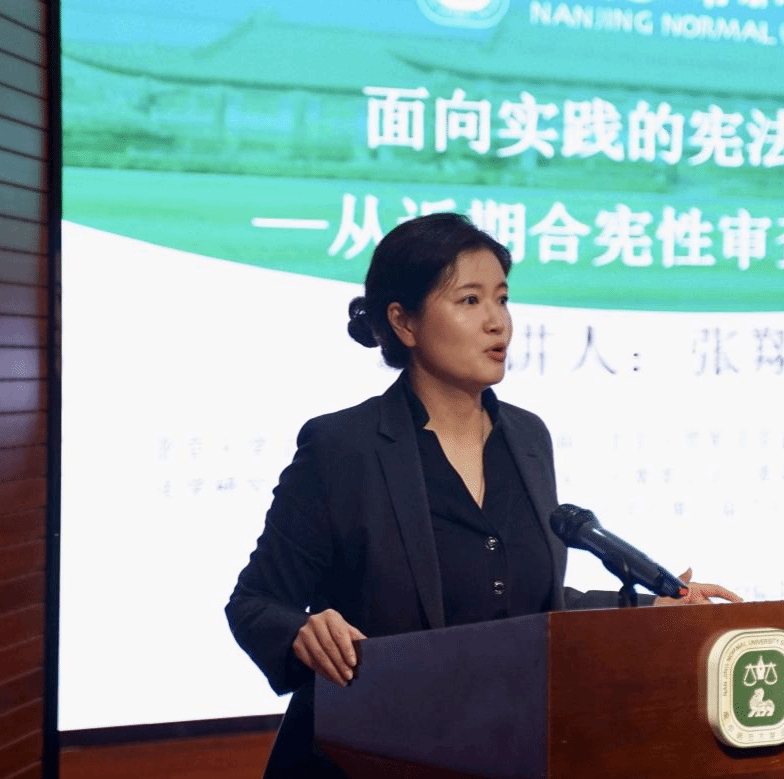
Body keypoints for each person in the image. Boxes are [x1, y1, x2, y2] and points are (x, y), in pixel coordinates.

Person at [225, 212, 741, 778]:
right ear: (404, 322)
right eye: (470, 301)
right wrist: (301, 632)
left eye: (502, 299)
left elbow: (527, 607)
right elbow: (254, 604)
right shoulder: (342, 447)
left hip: (494, 752)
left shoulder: (527, 438)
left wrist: (647, 611)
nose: (498, 322)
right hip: (365, 757)